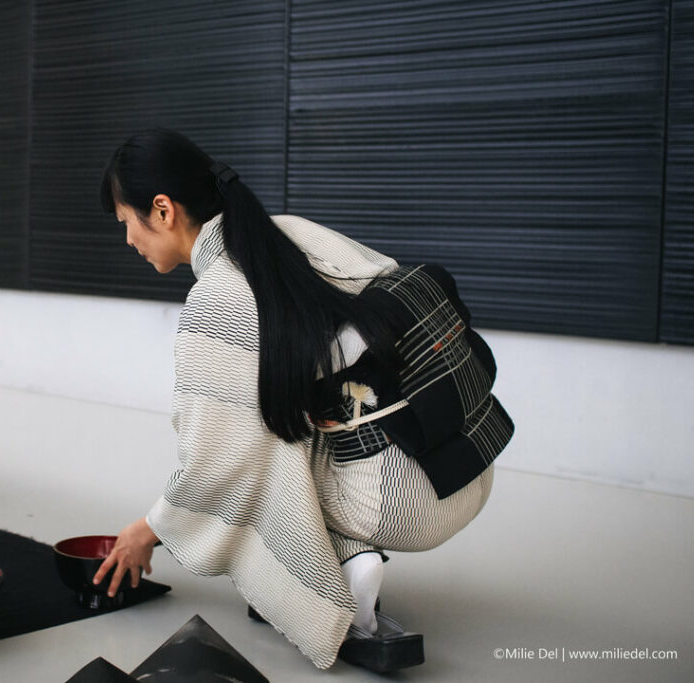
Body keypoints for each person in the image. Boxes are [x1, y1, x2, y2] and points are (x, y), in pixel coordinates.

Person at [92, 129, 510, 672]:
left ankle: (343, 573)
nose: (129, 240)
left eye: (126, 222)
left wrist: (145, 531)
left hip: (402, 499)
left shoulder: (217, 299)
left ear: (163, 210)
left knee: (256, 457)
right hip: (468, 456)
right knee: (285, 416)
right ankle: (346, 559)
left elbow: (216, 468)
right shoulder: (289, 232)